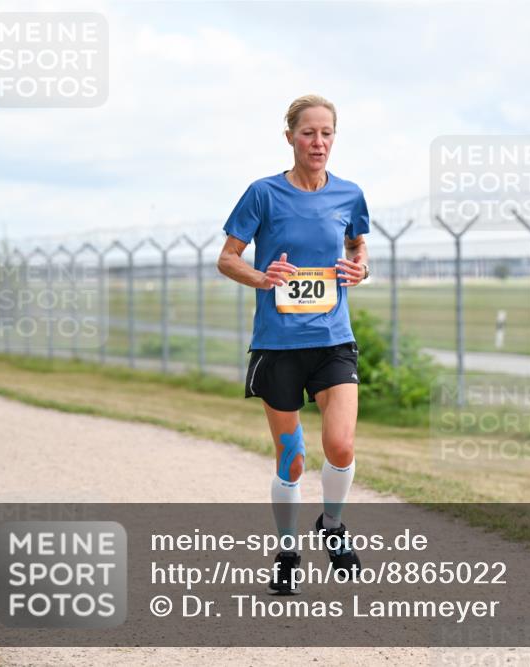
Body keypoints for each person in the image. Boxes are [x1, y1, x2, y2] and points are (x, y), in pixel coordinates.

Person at [216, 94, 370, 595]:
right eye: (308, 133)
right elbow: (227, 258)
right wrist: (264, 278)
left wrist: (360, 267)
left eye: (327, 133)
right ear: (290, 138)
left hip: (333, 339)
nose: (318, 142)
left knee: (341, 445)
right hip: (278, 345)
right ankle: (287, 551)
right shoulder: (263, 194)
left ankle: (333, 524)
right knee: (293, 459)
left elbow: (357, 244)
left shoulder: (349, 194)